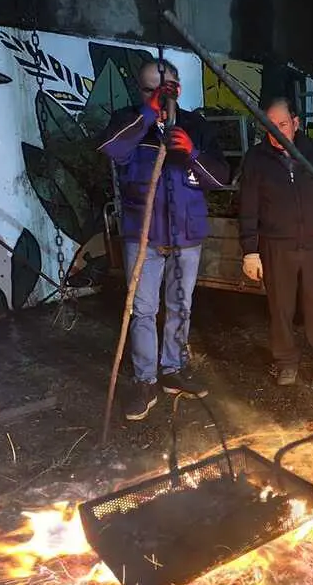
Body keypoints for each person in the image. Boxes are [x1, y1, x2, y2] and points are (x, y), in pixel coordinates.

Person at [98, 57, 230, 421]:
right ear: (140, 91)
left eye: (166, 88)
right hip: (143, 235)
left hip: (186, 233)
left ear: (178, 89)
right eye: (149, 88)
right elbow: (112, 150)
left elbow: (219, 178)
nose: (158, 94)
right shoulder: (128, 121)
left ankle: (173, 369)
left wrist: (192, 153)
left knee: (180, 306)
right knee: (142, 310)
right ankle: (145, 380)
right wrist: (147, 114)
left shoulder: (194, 125)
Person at [237, 97, 313, 393]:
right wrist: (250, 250)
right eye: (270, 126)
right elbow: (248, 207)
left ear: (296, 123)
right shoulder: (256, 159)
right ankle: (286, 361)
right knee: (281, 307)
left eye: (282, 125)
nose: (277, 132)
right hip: (277, 245)